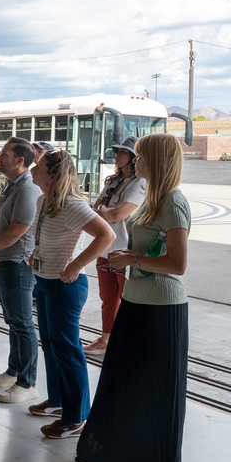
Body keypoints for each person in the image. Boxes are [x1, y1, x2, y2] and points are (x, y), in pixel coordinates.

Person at [75, 133, 190, 462]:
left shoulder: (172, 202)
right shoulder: (154, 198)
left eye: (140, 156)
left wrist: (133, 260)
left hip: (160, 307)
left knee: (152, 389)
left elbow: (177, 264)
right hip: (138, 301)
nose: (135, 161)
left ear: (155, 160)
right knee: (128, 383)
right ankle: (120, 454)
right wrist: (129, 254)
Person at [28, 147, 115, 438]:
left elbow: (107, 235)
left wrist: (76, 264)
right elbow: (45, 235)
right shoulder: (44, 201)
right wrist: (37, 253)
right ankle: (58, 400)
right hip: (45, 280)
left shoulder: (72, 204)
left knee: (66, 348)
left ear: (52, 176)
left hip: (65, 285)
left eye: (39, 167)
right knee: (52, 345)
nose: (33, 170)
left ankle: (76, 417)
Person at [0, 137, 40, 404]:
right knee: (13, 321)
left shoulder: (27, 188)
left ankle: (27, 382)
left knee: (23, 323)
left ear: (19, 160)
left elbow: (18, 230)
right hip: (6, 260)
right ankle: (14, 371)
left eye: (4, 154)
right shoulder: (13, 184)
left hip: (18, 264)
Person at [85, 136, 146, 355]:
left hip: (124, 249)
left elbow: (119, 214)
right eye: (118, 151)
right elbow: (94, 209)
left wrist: (104, 211)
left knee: (128, 299)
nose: (117, 155)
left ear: (133, 157)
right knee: (108, 298)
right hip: (106, 248)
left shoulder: (140, 183)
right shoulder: (112, 181)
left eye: (123, 152)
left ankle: (127, 342)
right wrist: (106, 212)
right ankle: (106, 339)